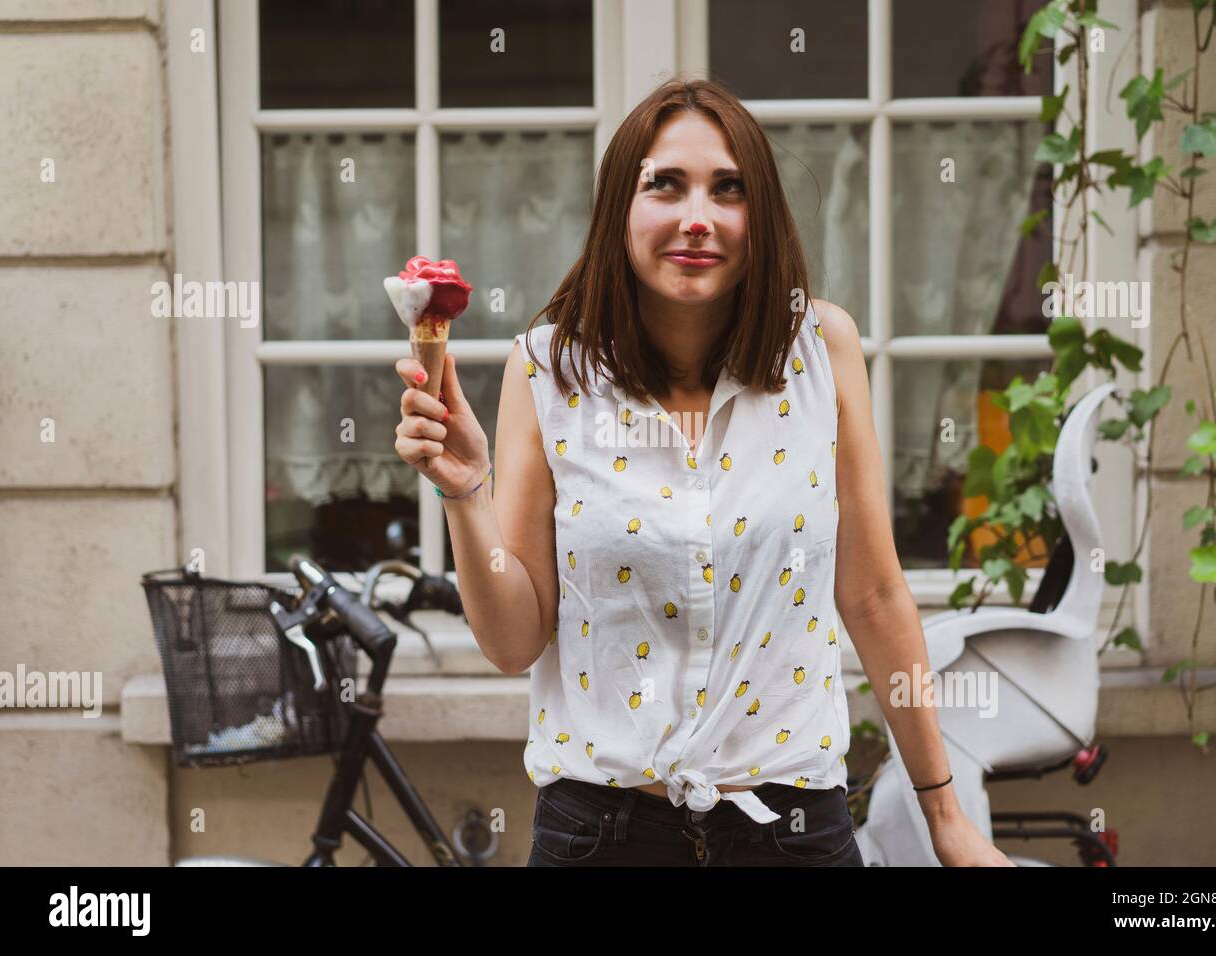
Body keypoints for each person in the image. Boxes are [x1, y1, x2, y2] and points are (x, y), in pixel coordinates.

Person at [394, 77, 1013, 867]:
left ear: (762, 218)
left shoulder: (821, 352)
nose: (698, 218)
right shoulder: (547, 370)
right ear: (620, 206)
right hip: (601, 836)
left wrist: (947, 819)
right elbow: (515, 642)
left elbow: (876, 593)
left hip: (790, 830)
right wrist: (463, 492)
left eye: (730, 189)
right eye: (665, 185)